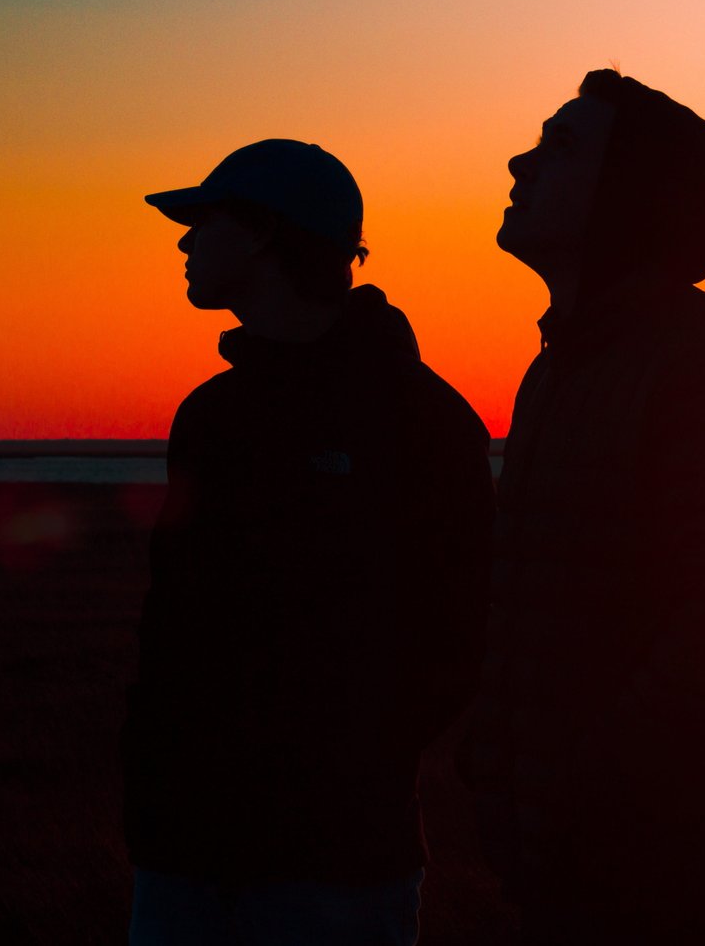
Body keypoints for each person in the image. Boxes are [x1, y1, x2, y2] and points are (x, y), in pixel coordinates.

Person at [460, 72, 705, 944]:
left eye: (561, 146)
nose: (520, 161)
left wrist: (597, 791)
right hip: (574, 852)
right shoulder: (559, 366)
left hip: (681, 865)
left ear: (629, 194)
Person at [124, 139, 494, 945]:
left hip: (338, 861)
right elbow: (175, 627)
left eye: (204, 221)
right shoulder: (211, 414)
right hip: (183, 854)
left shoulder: (419, 419)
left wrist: (343, 763)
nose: (185, 242)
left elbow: (464, 626)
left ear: (260, 233)